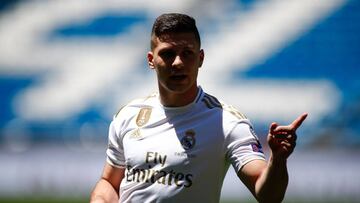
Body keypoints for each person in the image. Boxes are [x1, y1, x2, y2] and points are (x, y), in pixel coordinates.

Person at [90, 13, 307, 203]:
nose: (177, 62)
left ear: (200, 58)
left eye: (187, 53)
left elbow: (268, 195)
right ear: (151, 60)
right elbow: (109, 182)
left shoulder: (227, 122)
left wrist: (278, 161)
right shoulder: (128, 115)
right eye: (167, 54)